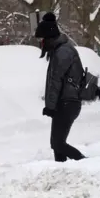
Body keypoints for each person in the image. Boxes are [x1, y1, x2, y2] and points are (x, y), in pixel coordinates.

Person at [34, 12, 86, 162]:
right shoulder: (59, 50)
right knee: (57, 145)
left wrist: (50, 106)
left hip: (67, 102)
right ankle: (63, 169)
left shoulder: (63, 52)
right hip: (64, 102)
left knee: (57, 143)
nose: (41, 43)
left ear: (49, 38)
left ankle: (87, 164)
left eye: (42, 39)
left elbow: (55, 81)